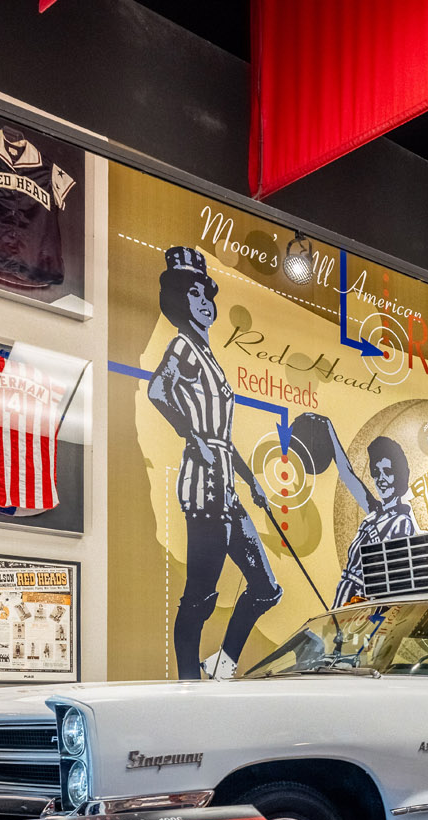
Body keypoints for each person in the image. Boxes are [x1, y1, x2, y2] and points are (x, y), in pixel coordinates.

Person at [149, 246, 281, 679]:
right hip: (203, 485)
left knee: (265, 587)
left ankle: (221, 667)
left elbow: (223, 438)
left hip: (226, 483)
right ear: (178, 300)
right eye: (193, 293)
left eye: (207, 293)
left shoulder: (211, 360)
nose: (204, 301)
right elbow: (158, 391)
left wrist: (251, 481)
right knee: (200, 597)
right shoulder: (183, 347)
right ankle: (188, 682)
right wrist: (191, 436)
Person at [324, 418, 420, 606]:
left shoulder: (401, 522)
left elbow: (396, 580)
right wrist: (329, 432)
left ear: (398, 476)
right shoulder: (374, 513)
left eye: (387, 471)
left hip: (363, 603)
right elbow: (347, 474)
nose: (381, 478)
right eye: (376, 471)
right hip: (345, 594)